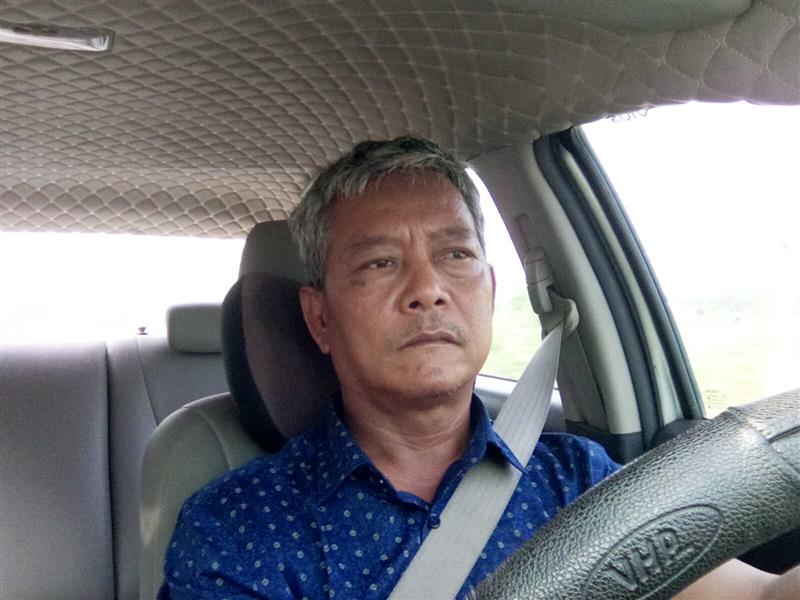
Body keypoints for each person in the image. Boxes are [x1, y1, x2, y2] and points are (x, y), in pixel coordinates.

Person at [160, 137, 798, 599]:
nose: (428, 289)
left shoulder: (577, 479)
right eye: (380, 263)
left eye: (456, 255)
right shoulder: (240, 528)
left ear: (490, 290)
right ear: (321, 317)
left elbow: (755, 597)